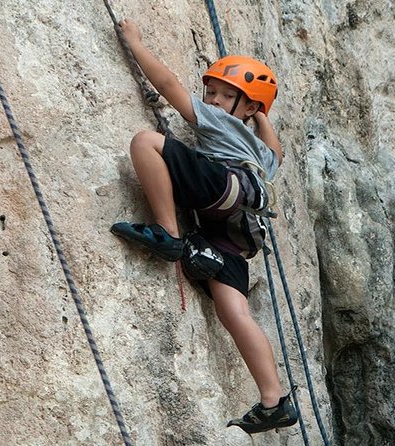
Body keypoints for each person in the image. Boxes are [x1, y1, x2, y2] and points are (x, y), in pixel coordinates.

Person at [110, 18, 298, 434]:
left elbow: (171, 86)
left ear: (244, 108)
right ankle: (274, 400)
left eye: (224, 95)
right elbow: (277, 153)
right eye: (210, 91)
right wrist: (261, 113)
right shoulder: (260, 152)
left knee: (146, 142)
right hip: (235, 227)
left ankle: (167, 234)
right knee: (234, 309)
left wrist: (135, 44)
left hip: (222, 188)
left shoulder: (219, 122)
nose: (211, 99)